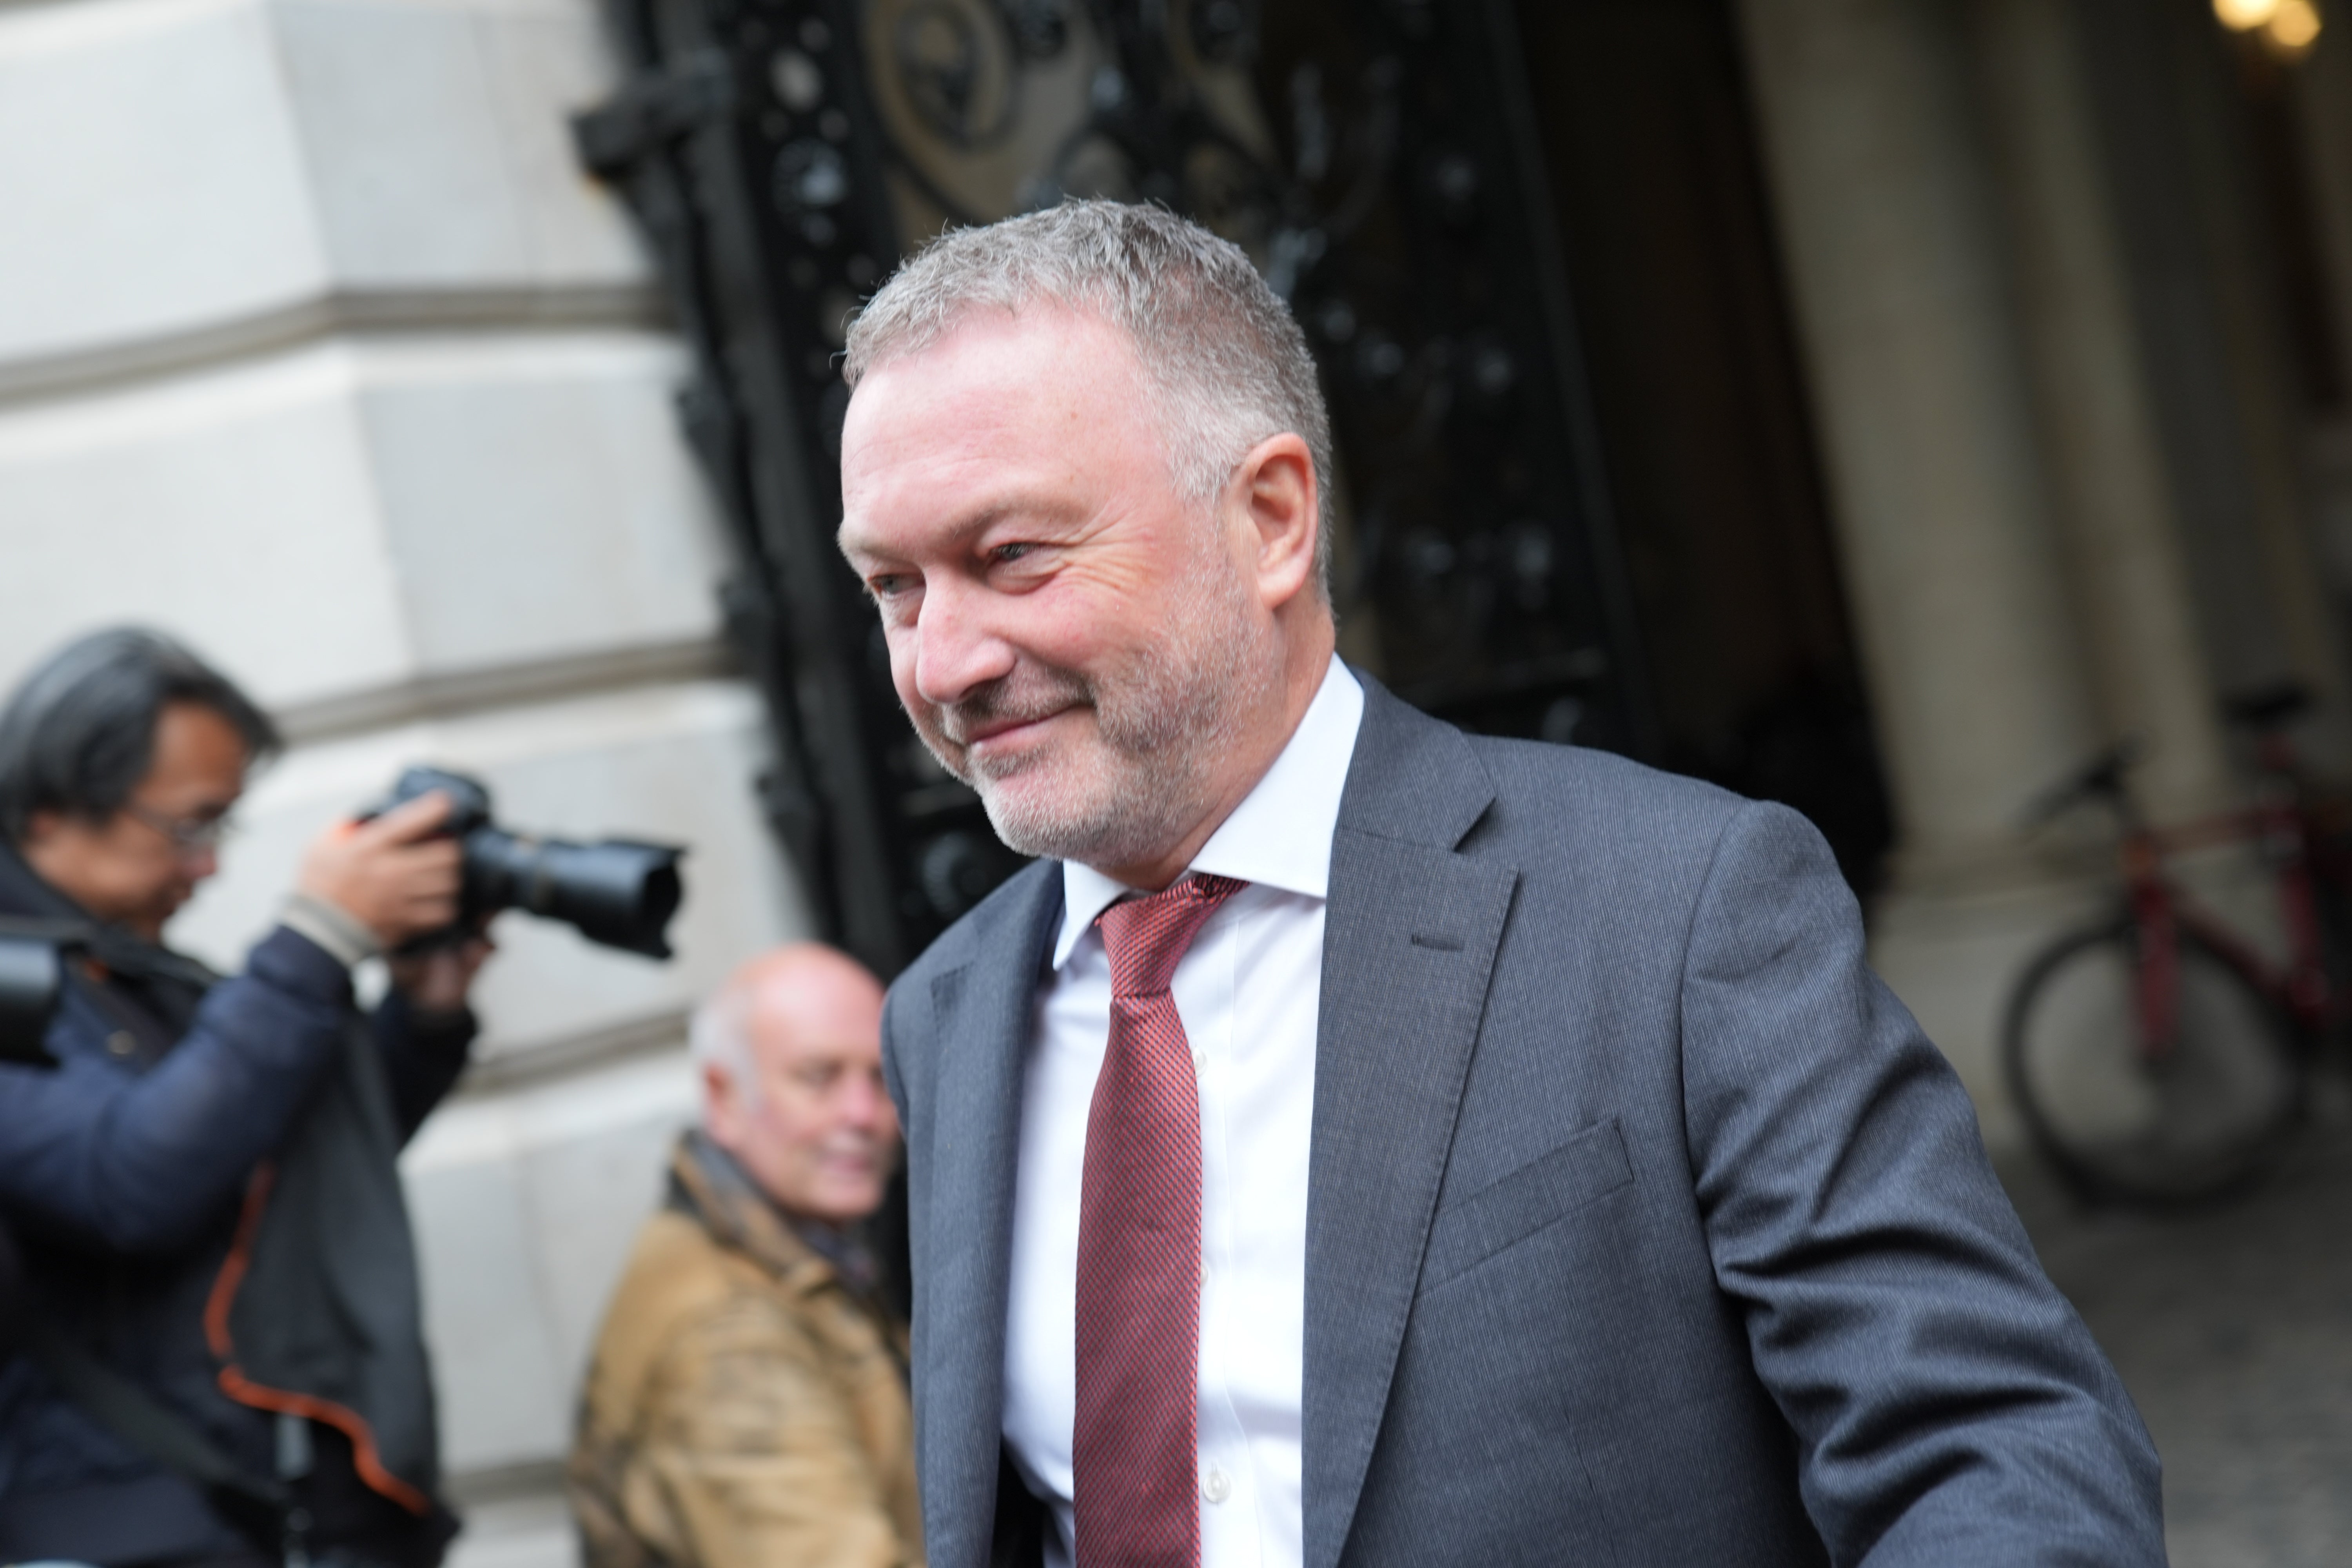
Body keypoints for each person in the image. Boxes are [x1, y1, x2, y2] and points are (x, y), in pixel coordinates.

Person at [833, 201, 2166, 1568]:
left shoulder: (1678, 906)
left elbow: (1998, 1454)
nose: (943, 663)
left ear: (1272, 519)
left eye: (1013, 559)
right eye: (892, 587)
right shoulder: (947, 1019)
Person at [0, 627, 490, 1568]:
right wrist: (316, 935)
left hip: (269, 1513)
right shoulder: (22, 985)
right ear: (56, 804)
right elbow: (129, 1181)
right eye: (190, 826)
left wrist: (424, 1019)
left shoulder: (115, 962)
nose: (208, 867)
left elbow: (270, 1168)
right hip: (127, 1526)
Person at [568, 944, 922, 1568]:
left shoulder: (788, 1253)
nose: (863, 1114)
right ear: (724, 1099)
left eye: (879, 1077)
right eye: (819, 1077)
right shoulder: (729, 1336)